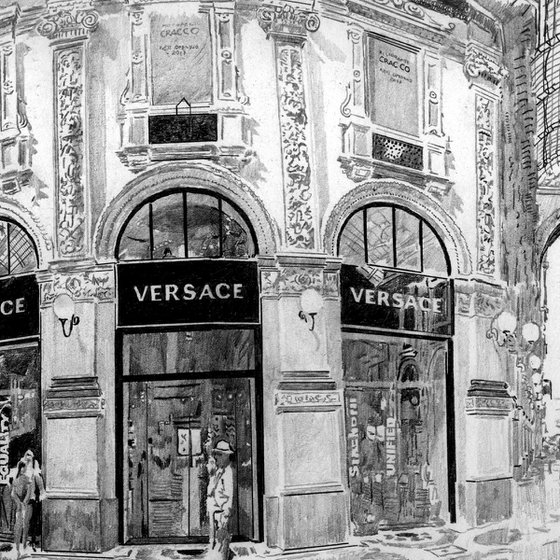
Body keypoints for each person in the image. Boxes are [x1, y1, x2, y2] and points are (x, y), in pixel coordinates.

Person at [206, 440, 234, 560]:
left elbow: (229, 494)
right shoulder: (218, 471)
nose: (216, 457)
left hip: (221, 510)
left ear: (226, 456)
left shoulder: (228, 473)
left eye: (219, 455)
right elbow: (211, 490)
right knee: (216, 539)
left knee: (222, 539)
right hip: (214, 510)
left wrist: (226, 510)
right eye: (216, 454)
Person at [11, 460, 32, 559]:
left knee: (24, 526)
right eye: (23, 467)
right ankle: (18, 549)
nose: (24, 469)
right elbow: (13, 493)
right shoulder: (17, 480)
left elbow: (28, 493)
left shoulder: (27, 479)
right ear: (20, 468)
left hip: (24, 505)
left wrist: (23, 502)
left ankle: (22, 548)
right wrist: (20, 503)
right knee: (20, 527)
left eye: (25, 467)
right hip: (21, 506)